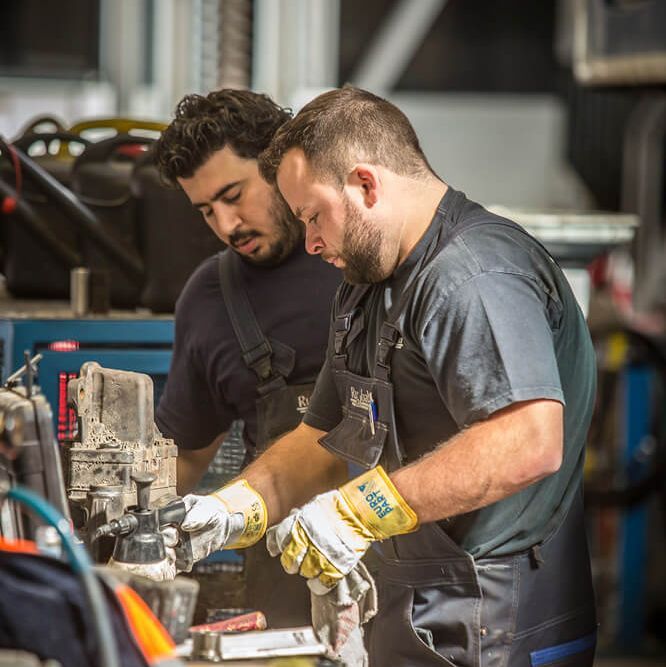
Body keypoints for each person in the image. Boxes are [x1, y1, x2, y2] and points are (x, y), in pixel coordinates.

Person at [162, 86, 598, 666]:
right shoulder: (367, 287)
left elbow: (528, 442)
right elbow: (324, 437)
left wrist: (356, 511)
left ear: (366, 184)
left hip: (500, 618)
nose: (311, 241)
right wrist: (234, 507)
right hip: (416, 602)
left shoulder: (471, 277)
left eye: (314, 216)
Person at [152, 89, 341, 627]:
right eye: (207, 210)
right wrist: (127, 532)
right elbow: (185, 456)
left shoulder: (366, 258)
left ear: (282, 163)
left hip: (400, 572)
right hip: (285, 586)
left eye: (235, 194)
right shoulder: (212, 297)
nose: (227, 224)